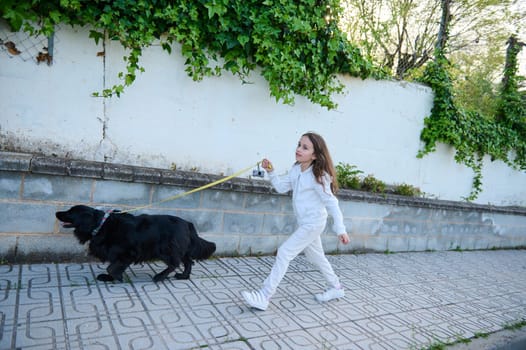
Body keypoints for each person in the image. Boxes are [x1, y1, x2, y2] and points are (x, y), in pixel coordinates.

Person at [241, 132, 350, 311]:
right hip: (306, 223)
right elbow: (281, 187)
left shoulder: (319, 176)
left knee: (284, 252)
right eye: (299, 145)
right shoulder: (296, 169)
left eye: (305, 147)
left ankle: (264, 295)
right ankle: (336, 287)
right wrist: (271, 172)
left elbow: (332, 203)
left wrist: (340, 229)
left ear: (315, 155)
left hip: (313, 224)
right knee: (316, 257)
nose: (298, 149)